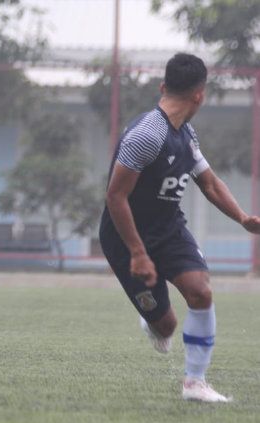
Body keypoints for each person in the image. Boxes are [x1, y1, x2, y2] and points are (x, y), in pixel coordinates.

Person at [99, 52, 260, 402]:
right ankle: (154, 320)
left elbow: (210, 184)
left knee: (200, 291)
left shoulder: (186, 134)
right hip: (125, 237)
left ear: (164, 86)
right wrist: (138, 253)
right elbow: (115, 197)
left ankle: (195, 384)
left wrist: (243, 218)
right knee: (166, 327)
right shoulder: (147, 136)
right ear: (200, 95)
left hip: (168, 229)